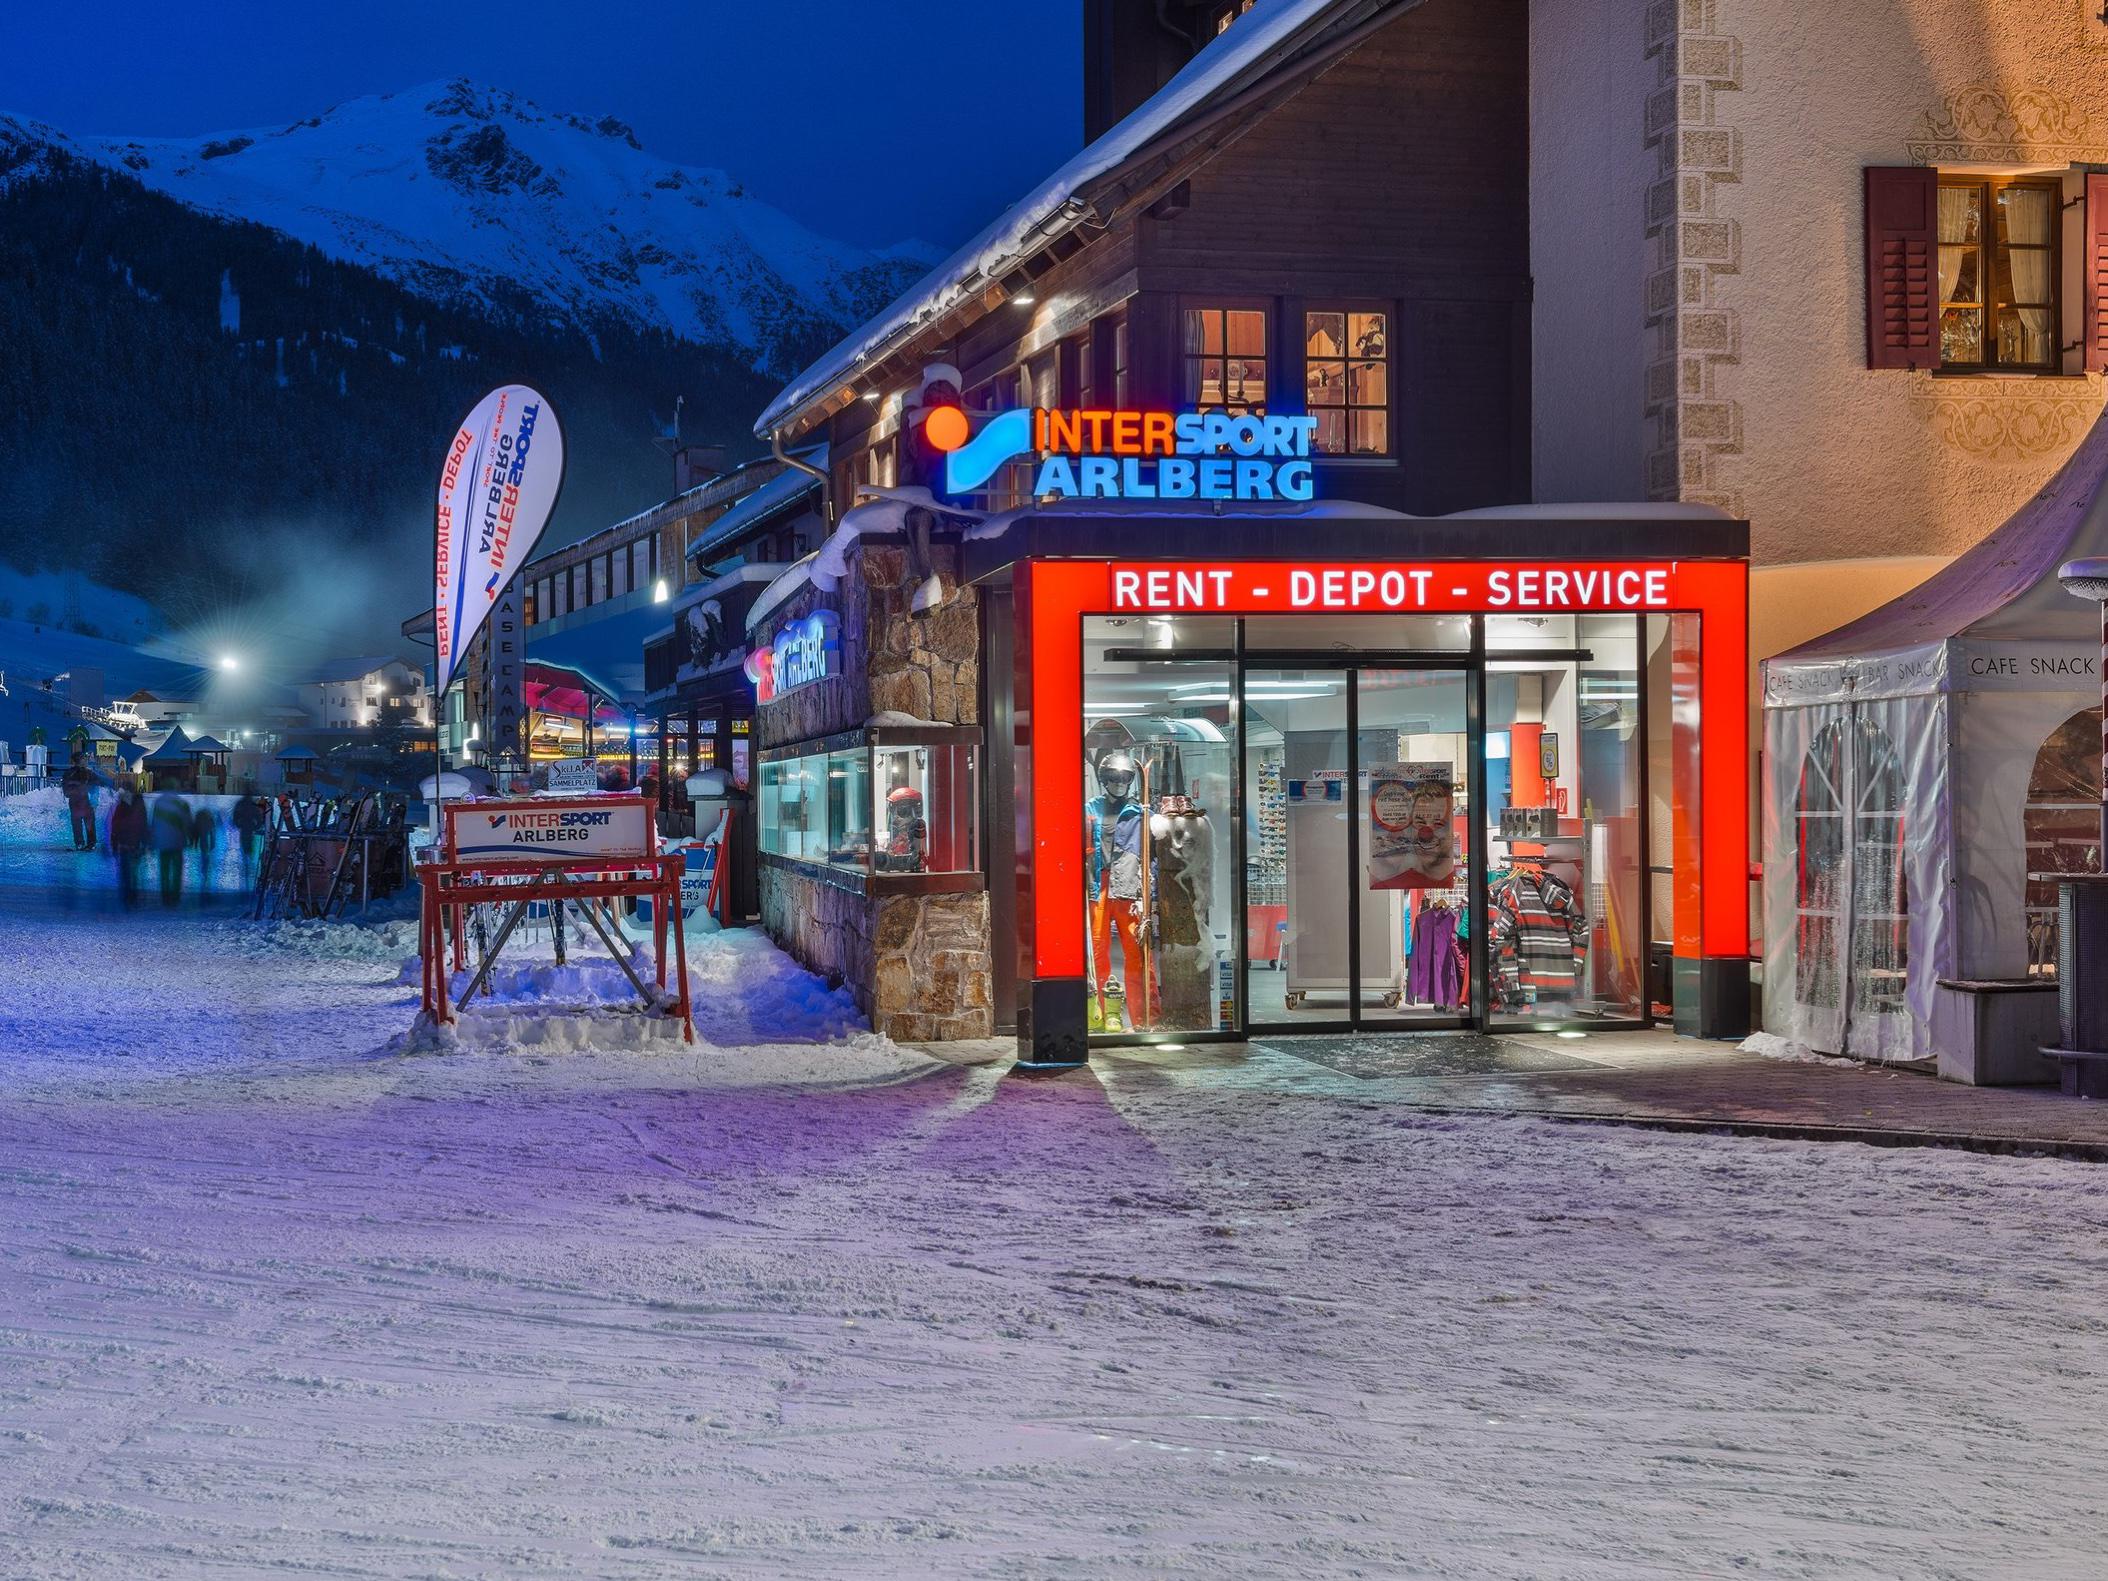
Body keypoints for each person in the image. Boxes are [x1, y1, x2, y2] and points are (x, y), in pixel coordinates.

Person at [109, 774, 148, 908]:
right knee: (133, 872)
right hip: (135, 843)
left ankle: (127, 896)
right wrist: (145, 841)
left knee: (126, 872)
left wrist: (114, 844)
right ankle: (132, 896)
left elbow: (115, 825)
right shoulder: (139, 805)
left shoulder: (121, 807)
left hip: (125, 844)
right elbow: (143, 824)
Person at [150, 792, 191, 906]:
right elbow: (187, 822)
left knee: (164, 870)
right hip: (177, 842)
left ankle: (165, 896)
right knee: (177, 871)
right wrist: (190, 837)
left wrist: (153, 839)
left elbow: (154, 823)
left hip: (163, 842)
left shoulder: (158, 802)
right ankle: (175, 896)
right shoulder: (182, 803)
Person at [61, 751, 97, 850]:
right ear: (79, 760)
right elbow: (96, 785)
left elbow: (66, 790)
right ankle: (90, 843)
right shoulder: (86, 772)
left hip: (76, 801)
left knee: (78, 822)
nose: (86, 760)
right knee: (87, 821)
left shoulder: (69, 773)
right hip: (81, 801)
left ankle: (80, 843)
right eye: (84, 758)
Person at [230, 794, 266, 884]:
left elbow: (236, 818)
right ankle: (247, 865)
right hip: (248, 831)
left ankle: (247, 865)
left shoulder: (243, 805)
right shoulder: (251, 809)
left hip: (248, 832)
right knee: (247, 849)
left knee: (248, 849)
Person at [189, 801, 220, 891]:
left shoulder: (200, 817)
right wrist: (213, 843)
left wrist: (194, 843)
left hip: (204, 841)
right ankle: (205, 872)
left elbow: (195, 831)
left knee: (204, 854)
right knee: (205, 855)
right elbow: (212, 832)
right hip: (206, 840)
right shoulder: (209, 818)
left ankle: (204, 872)